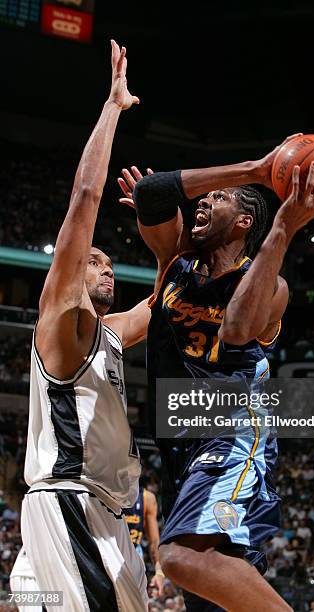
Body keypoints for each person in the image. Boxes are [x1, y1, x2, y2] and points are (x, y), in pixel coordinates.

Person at [118, 143, 314, 611]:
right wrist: (258, 170)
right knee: (209, 596)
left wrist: (283, 226)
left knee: (181, 558)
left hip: (230, 428)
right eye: (204, 196)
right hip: (178, 439)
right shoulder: (175, 264)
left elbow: (238, 330)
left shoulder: (270, 285)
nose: (203, 200)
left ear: (245, 223)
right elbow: (150, 193)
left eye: (218, 198)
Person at [10, 40, 150, 612]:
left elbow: (163, 300)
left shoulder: (110, 330)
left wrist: (162, 229)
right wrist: (114, 107)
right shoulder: (60, 322)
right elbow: (86, 197)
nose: (106, 267)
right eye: (96, 260)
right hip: (68, 501)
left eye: (112, 264)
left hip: (111, 516)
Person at [123, 485, 165, 596]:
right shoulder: (104, 493)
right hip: (112, 553)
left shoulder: (147, 498)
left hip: (134, 552)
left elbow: (154, 541)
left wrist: (159, 571)